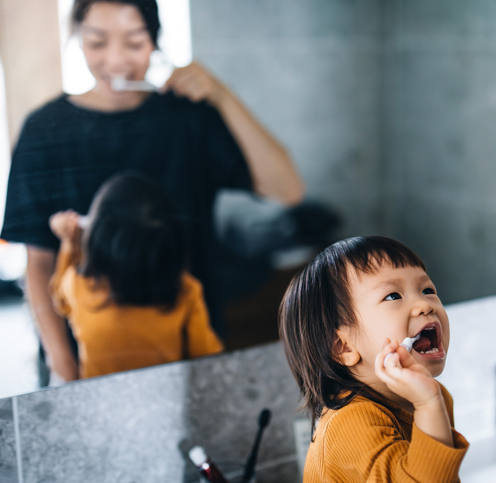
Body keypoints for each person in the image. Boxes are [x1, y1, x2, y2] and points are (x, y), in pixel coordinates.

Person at [0, 0, 304, 383]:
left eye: (134, 41)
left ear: (155, 42)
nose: (115, 59)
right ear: (77, 39)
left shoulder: (189, 117)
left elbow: (287, 190)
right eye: (97, 42)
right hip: (84, 359)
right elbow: (39, 265)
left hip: (187, 349)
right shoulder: (44, 130)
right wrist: (65, 366)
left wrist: (222, 97)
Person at [278, 236, 469, 482]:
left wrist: (430, 401)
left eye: (427, 290)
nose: (424, 304)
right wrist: (428, 403)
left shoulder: (434, 396)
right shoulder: (348, 424)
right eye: (393, 296)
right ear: (343, 347)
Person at [48, 173, 222, 379]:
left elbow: (59, 300)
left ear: (97, 239)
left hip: (101, 401)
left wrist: (69, 245)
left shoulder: (78, 287)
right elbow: (206, 357)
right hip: (166, 397)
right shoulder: (185, 290)